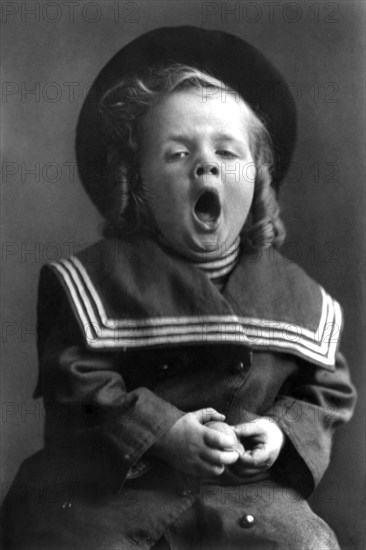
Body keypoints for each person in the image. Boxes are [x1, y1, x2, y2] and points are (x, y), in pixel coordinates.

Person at [1, 27, 356, 550]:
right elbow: (73, 383)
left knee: (304, 543)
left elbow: (324, 390)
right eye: (177, 154)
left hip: (244, 499)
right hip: (116, 491)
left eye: (227, 153)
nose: (205, 164)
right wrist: (161, 432)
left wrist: (282, 434)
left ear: (257, 177)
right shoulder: (98, 281)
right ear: (136, 181)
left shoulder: (298, 294)